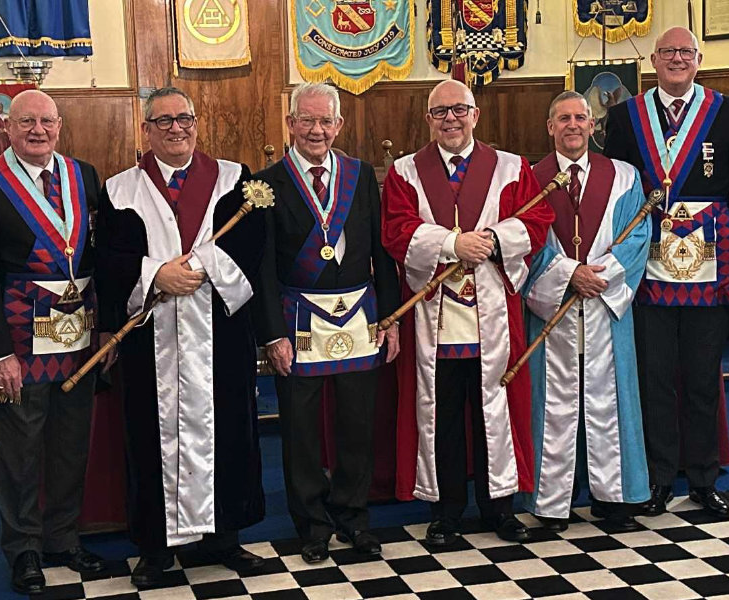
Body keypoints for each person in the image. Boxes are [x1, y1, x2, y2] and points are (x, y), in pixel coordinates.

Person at [98, 87, 267, 589]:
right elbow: (107, 260)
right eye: (164, 121)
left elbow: (253, 247)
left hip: (221, 332)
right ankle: (155, 547)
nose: (176, 128)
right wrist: (154, 276)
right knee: (149, 436)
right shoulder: (120, 189)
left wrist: (191, 268)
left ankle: (225, 536)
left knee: (229, 429)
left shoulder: (235, 180)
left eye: (184, 118)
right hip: (151, 338)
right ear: (146, 130)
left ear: (197, 123)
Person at [382, 79, 554, 546]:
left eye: (459, 110)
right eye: (440, 112)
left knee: (493, 411)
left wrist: (494, 241)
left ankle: (500, 508)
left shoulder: (512, 167)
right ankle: (446, 511)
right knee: (443, 416)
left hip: (494, 316)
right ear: (428, 119)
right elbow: (396, 230)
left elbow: (537, 221)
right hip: (433, 321)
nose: (451, 119)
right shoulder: (405, 172)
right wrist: (450, 243)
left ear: (476, 115)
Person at [603, 26, 729, 520]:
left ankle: (703, 479)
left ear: (699, 59)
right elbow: (617, 194)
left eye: (685, 52)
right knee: (655, 379)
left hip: (710, 265)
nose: (677, 59)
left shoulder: (728, 111)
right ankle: (657, 478)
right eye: (668, 52)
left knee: (700, 377)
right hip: (647, 266)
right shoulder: (625, 116)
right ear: (653, 59)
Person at [0, 89, 107, 594]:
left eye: (46, 121)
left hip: (78, 336)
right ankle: (23, 549)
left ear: (60, 126)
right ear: (7, 129)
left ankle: (63, 538)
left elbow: (96, 255)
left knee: (71, 444)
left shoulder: (84, 175)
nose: (38, 131)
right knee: (20, 452)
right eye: (26, 123)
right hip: (19, 344)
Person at [254, 82, 401, 563]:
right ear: (290, 123)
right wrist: (272, 333)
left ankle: (354, 519)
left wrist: (392, 319)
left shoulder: (361, 175)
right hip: (298, 325)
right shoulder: (267, 182)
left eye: (325, 121)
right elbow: (264, 269)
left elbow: (382, 253)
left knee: (357, 426)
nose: (316, 130)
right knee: (300, 431)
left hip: (359, 319)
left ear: (339, 125)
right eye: (307, 120)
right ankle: (312, 525)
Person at [521, 91, 649, 533]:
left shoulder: (624, 177)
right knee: (553, 401)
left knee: (608, 399)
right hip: (553, 309)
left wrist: (600, 278)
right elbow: (525, 242)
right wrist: (568, 274)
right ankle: (552, 501)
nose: (573, 125)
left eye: (581, 117)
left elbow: (637, 238)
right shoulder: (528, 178)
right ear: (549, 127)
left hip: (605, 310)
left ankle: (614, 499)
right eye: (563, 118)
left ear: (593, 125)